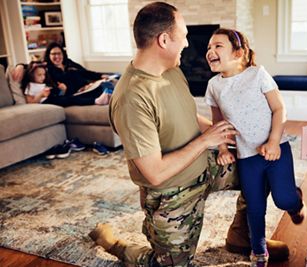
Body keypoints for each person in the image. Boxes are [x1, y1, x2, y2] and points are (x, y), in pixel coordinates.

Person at [89, 2, 290, 266]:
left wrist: (226, 135)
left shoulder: (171, 70)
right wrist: (206, 140)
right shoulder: (132, 98)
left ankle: (243, 237)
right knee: (170, 264)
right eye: (183, 36)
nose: (187, 43)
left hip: (204, 164)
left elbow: (185, 114)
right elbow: (154, 172)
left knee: (261, 165)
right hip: (173, 189)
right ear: (163, 40)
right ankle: (114, 243)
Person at [204, 28, 307, 266]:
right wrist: (222, 149)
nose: (210, 51)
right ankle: (259, 252)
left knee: (284, 199)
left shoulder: (258, 74)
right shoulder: (213, 86)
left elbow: (279, 109)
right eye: (208, 47)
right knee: (255, 205)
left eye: (218, 46)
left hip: (276, 149)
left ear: (238, 52)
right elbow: (218, 123)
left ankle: (296, 202)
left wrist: (273, 141)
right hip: (247, 156)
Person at [20, 60, 111, 106]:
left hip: (54, 98)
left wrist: (62, 90)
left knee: (72, 97)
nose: (42, 77)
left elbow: (59, 95)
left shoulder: (44, 84)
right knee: (72, 99)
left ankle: (102, 96)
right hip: (47, 102)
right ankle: (96, 101)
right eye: (39, 75)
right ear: (31, 75)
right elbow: (30, 102)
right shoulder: (30, 86)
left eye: (43, 74)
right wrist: (41, 94)